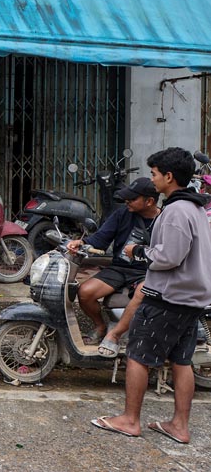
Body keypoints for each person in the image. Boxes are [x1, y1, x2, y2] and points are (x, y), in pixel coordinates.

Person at [92, 147, 211, 443]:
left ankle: (130, 420)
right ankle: (179, 426)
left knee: (137, 356)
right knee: (181, 361)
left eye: (155, 174)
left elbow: (169, 257)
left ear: (169, 177)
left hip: (167, 297)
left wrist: (138, 251)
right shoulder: (195, 208)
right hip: (192, 297)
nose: (152, 179)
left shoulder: (174, 211)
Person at [68, 177, 159, 356]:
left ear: (149, 201)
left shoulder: (165, 220)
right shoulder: (121, 214)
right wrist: (82, 242)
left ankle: (114, 335)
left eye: (132, 199)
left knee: (142, 293)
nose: (127, 202)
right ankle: (100, 326)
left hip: (148, 272)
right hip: (119, 268)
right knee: (85, 292)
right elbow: (101, 239)